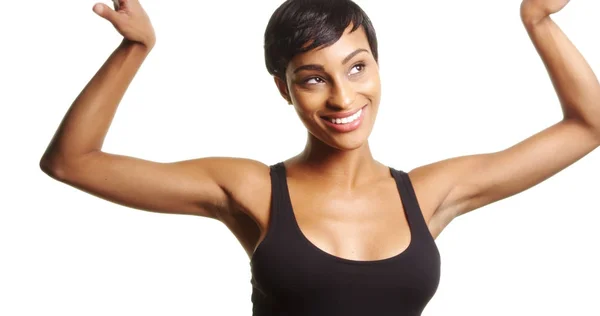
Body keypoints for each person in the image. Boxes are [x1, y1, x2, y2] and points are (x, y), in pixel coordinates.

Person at [39, 0, 599, 315]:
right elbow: (73, 161)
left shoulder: (427, 194)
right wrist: (134, 49)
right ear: (284, 89)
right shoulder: (252, 189)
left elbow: (587, 126)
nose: (342, 97)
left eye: (358, 67)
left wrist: (538, 23)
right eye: (313, 78)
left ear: (379, 68)